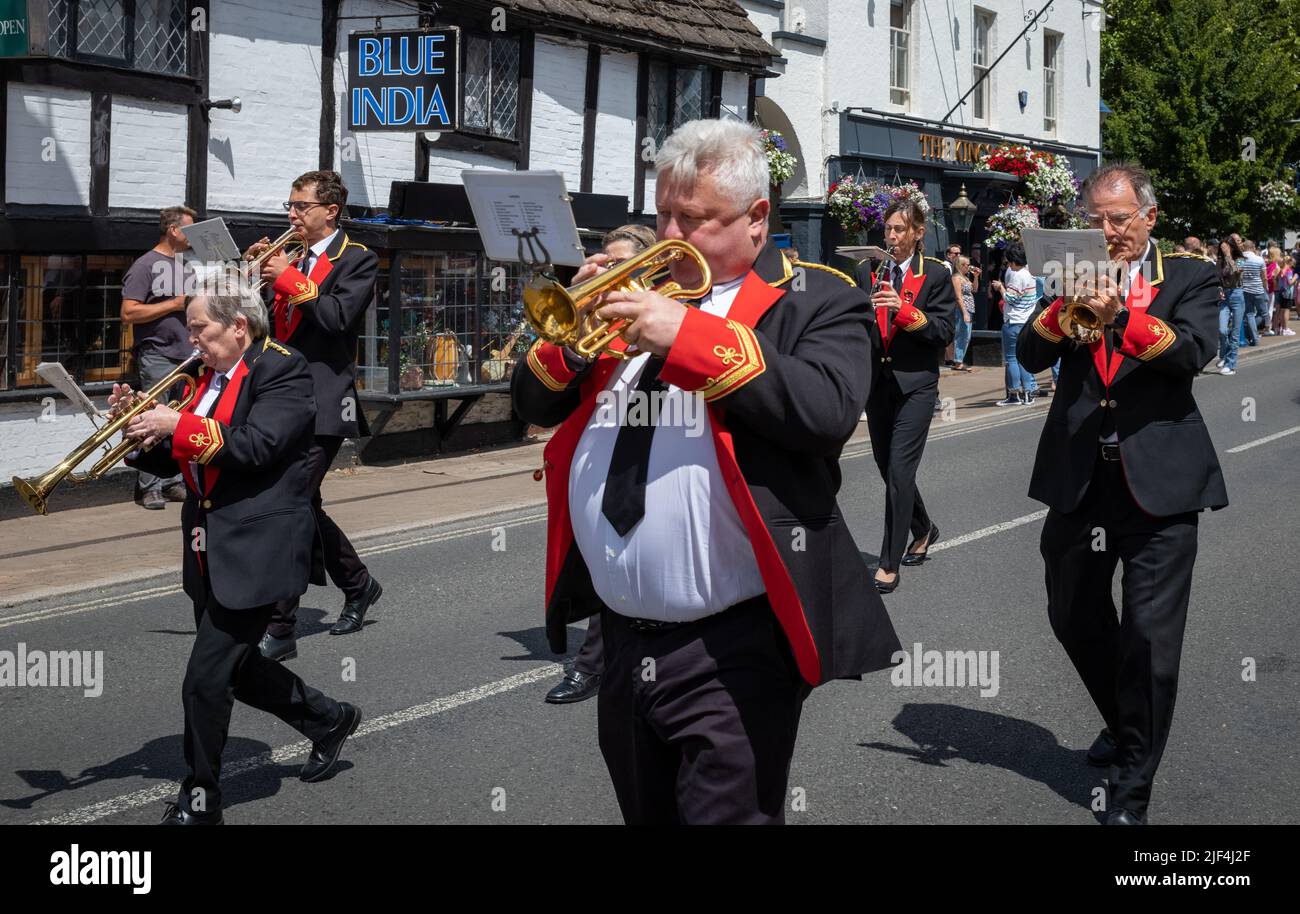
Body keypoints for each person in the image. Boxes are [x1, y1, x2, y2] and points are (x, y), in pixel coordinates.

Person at [512, 118, 900, 824]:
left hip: (735, 647)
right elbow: (530, 403)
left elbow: (823, 413)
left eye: (692, 219)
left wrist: (684, 333)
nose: (667, 235)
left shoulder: (816, 298)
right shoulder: (627, 304)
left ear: (757, 219)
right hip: (623, 641)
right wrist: (572, 331)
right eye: (661, 212)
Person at [1017, 162, 1228, 825]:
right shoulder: (1071, 275)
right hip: (1083, 478)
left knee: (1147, 641)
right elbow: (1028, 356)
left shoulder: (1189, 276)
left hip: (1161, 484)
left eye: (1116, 220)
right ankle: (1125, 719)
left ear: (1149, 219)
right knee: (1071, 611)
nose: (1105, 232)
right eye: (1094, 220)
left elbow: (1193, 352)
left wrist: (1126, 319)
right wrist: (1062, 310)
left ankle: (1133, 788)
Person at [113, 289, 362, 824]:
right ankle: (328, 718)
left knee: (204, 680)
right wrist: (138, 431)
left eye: (200, 328)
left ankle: (201, 802)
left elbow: (256, 446)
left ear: (239, 328)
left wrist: (175, 425)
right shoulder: (204, 377)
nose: (192, 339)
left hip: (257, 545)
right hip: (207, 541)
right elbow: (173, 455)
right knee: (239, 668)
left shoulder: (283, 371)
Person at [246, 170, 383, 660]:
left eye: (301, 206)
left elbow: (337, 320)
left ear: (331, 211)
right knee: (302, 504)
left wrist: (287, 277)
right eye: (290, 205)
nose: (292, 214)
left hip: (324, 401)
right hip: (276, 397)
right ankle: (358, 583)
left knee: (288, 505)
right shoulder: (293, 259)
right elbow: (264, 328)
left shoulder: (358, 260)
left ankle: (280, 627)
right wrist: (253, 281)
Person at [543, 222, 658, 706]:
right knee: (595, 552)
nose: (606, 274)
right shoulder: (591, 318)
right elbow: (539, 391)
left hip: (643, 456)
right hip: (586, 457)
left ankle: (592, 662)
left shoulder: (657, 318)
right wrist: (574, 315)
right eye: (603, 264)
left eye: (618, 266)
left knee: (619, 549)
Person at [852, 201, 958, 594]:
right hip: (878, 384)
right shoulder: (867, 270)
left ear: (917, 232)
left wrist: (905, 311)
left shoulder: (933, 274)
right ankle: (923, 528)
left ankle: (888, 563)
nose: (891, 237)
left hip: (916, 385)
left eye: (899, 230)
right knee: (887, 468)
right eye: (888, 229)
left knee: (899, 471)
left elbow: (945, 331)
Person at [120, 205, 197, 510]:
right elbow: (128, 313)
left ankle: (173, 481)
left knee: (178, 420)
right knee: (151, 417)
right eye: (188, 229)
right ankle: (148, 486)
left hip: (188, 357)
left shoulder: (187, 266)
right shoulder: (146, 265)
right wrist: (174, 304)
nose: (193, 236)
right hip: (158, 354)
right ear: (173, 230)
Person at [989, 244, 1041, 405]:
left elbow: (1010, 298)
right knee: (1022, 359)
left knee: (1011, 359)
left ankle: (1014, 395)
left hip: (1013, 322)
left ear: (1012, 260)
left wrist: (1000, 288)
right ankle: (1028, 393)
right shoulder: (1030, 274)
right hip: (1026, 322)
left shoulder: (1018, 276)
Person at [1216, 238, 1245, 375]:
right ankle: (1225, 355)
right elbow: (1217, 279)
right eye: (1221, 249)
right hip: (1225, 296)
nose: (1223, 251)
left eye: (1226, 248)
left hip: (1237, 295)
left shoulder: (1240, 259)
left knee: (1235, 332)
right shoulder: (1220, 261)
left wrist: (1228, 256)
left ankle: (1230, 364)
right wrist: (1219, 289)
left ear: (1231, 247)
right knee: (1222, 330)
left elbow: (1236, 273)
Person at [1238, 240, 1267, 345]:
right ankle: (1258, 333)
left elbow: (1238, 274)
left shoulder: (1240, 259)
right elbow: (1264, 277)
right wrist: (1266, 287)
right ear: (1253, 247)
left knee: (1249, 314)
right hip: (1258, 289)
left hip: (1245, 290)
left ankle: (1255, 339)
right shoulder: (1259, 259)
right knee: (1263, 313)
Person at [951, 255, 976, 371]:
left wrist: (976, 277)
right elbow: (958, 297)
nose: (969, 267)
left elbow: (974, 289)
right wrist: (964, 312)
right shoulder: (956, 278)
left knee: (967, 335)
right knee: (962, 335)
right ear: (960, 266)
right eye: (967, 265)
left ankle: (959, 360)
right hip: (961, 309)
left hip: (969, 309)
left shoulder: (965, 278)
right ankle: (958, 361)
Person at [1276, 255, 1296, 336]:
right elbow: (1290, 282)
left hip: (1281, 292)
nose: (1293, 264)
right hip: (1287, 293)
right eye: (1293, 262)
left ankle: (1282, 328)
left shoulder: (1281, 270)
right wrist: (1295, 277)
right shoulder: (1289, 271)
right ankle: (1285, 329)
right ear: (1290, 262)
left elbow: (1278, 279)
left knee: (1282, 310)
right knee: (1286, 310)